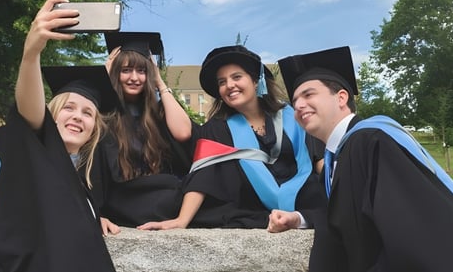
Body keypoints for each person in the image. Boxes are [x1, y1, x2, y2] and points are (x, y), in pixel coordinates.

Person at [277, 46, 453, 272]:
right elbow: (347, 218)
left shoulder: (371, 142)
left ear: (341, 98)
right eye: (295, 99)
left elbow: (413, 229)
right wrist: (300, 218)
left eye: (308, 94)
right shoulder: (336, 159)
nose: (298, 105)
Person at [0, 0, 117, 272]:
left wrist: (96, 217)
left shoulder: (81, 187)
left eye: (87, 113)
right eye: (68, 108)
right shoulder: (34, 154)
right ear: (52, 115)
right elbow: (31, 114)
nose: (78, 116)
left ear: (94, 130)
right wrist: (31, 53)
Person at [138, 45, 327, 231]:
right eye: (222, 82)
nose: (229, 85)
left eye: (237, 77)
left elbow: (319, 158)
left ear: (255, 81)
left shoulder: (291, 116)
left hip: (305, 203)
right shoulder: (219, 128)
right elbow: (203, 170)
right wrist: (182, 220)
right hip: (254, 212)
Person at [84, 31, 192, 234]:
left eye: (142, 71)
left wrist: (160, 82)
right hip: (123, 199)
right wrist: (103, 78)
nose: (134, 77)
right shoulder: (104, 115)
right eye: (125, 70)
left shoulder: (159, 113)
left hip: (160, 194)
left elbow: (184, 133)